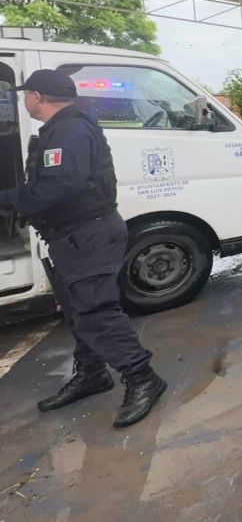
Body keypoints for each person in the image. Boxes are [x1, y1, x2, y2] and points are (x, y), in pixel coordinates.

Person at [0, 70, 166, 427]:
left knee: (96, 312)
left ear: (37, 97)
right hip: (73, 236)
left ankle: (143, 378)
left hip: (87, 236)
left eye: (26, 94)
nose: (24, 100)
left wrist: (9, 199)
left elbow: (59, 188)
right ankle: (92, 373)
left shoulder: (70, 131)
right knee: (78, 311)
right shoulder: (63, 128)